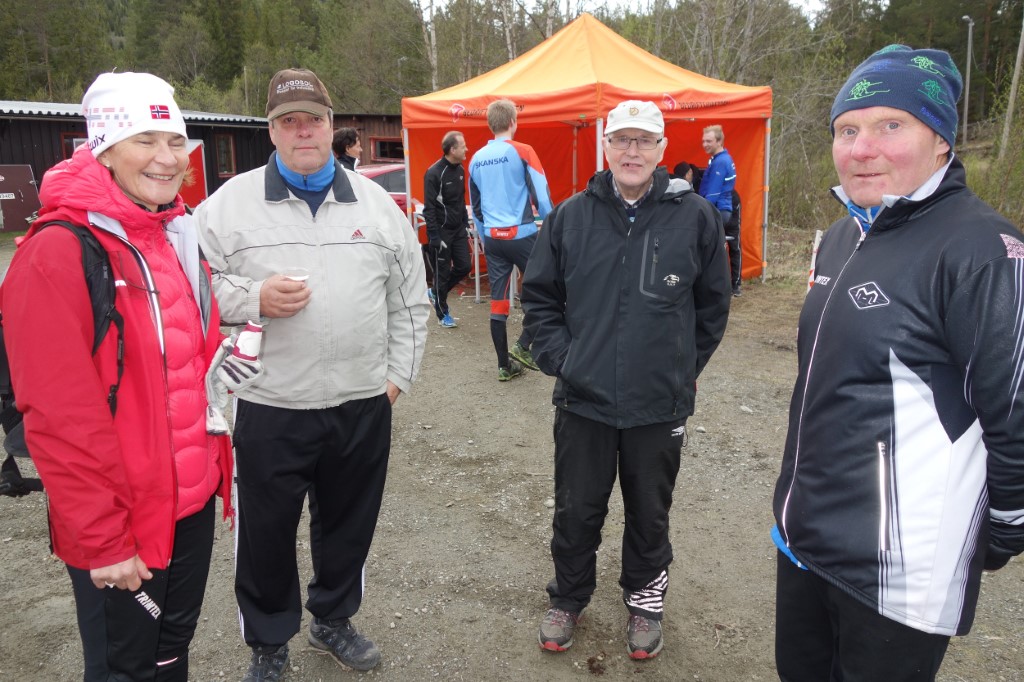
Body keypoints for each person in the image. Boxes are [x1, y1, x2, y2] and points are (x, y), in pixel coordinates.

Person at [772, 45, 1024, 682]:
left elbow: (1015, 410)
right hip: (804, 540)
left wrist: (1002, 528)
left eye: (891, 125)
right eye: (846, 130)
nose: (862, 149)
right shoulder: (842, 235)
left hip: (898, 576)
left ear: (940, 141)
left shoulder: (982, 249)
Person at [194, 68, 429, 681]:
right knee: (267, 531)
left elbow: (410, 299)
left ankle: (333, 619)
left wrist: (396, 378)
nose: (303, 131)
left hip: (361, 402)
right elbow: (190, 288)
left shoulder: (377, 208)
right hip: (270, 403)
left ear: (331, 125)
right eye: (288, 121)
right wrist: (253, 297)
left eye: (314, 119)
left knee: (349, 524)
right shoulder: (228, 206)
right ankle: (269, 639)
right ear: (271, 132)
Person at [0, 72, 234, 681]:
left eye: (176, 141)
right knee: (123, 668)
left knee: (170, 652)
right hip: (125, 516)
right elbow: (58, 416)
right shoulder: (57, 251)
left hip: (189, 499)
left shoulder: (171, 232)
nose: (167, 158)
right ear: (103, 149)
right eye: (144, 140)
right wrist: (103, 540)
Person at [522, 100, 732, 660]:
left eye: (644, 140)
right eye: (621, 139)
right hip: (583, 400)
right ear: (606, 147)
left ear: (662, 149)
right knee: (576, 509)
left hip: (658, 404)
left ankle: (644, 600)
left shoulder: (696, 217)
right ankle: (568, 596)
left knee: (649, 511)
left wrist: (679, 370)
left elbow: (713, 308)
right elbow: (539, 298)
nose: (632, 151)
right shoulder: (570, 216)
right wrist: (565, 360)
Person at [469, 99, 553, 381]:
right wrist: (553, 228)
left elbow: (476, 207)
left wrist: (485, 238)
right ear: (513, 122)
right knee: (547, 290)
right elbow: (541, 195)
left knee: (498, 302)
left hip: (493, 238)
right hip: (523, 234)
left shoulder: (476, 158)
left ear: (490, 124)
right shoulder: (523, 151)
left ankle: (504, 367)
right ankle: (523, 345)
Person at [422, 131, 472, 328]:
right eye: (463, 146)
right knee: (442, 274)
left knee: (464, 267)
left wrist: (465, 224)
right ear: (452, 149)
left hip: (458, 229)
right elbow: (429, 208)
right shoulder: (434, 173)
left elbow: (460, 200)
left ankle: (435, 292)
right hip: (441, 232)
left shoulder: (460, 169)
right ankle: (443, 314)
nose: (467, 149)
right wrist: (433, 235)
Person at [699, 125, 741, 295]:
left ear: (719, 141)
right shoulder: (719, 159)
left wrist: (700, 213)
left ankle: (712, 286)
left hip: (718, 210)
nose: (704, 144)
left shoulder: (721, 162)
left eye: (708, 141)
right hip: (719, 210)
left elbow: (713, 194)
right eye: (703, 141)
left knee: (708, 250)